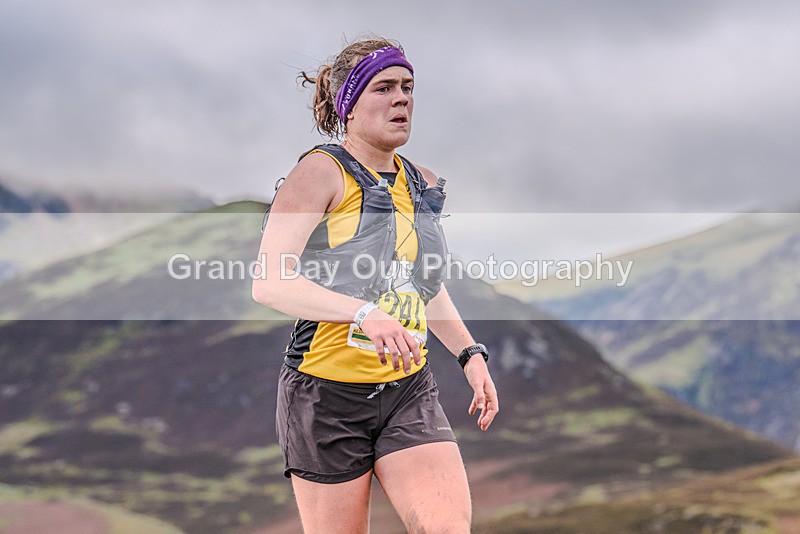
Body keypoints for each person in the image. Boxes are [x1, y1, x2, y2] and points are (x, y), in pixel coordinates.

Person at [252, 37, 498, 534]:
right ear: (349, 103)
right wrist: (364, 313)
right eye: (384, 87)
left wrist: (469, 353)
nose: (402, 98)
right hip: (325, 395)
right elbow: (270, 283)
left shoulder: (419, 182)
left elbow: (421, 286)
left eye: (408, 87)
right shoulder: (319, 173)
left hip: (407, 389)